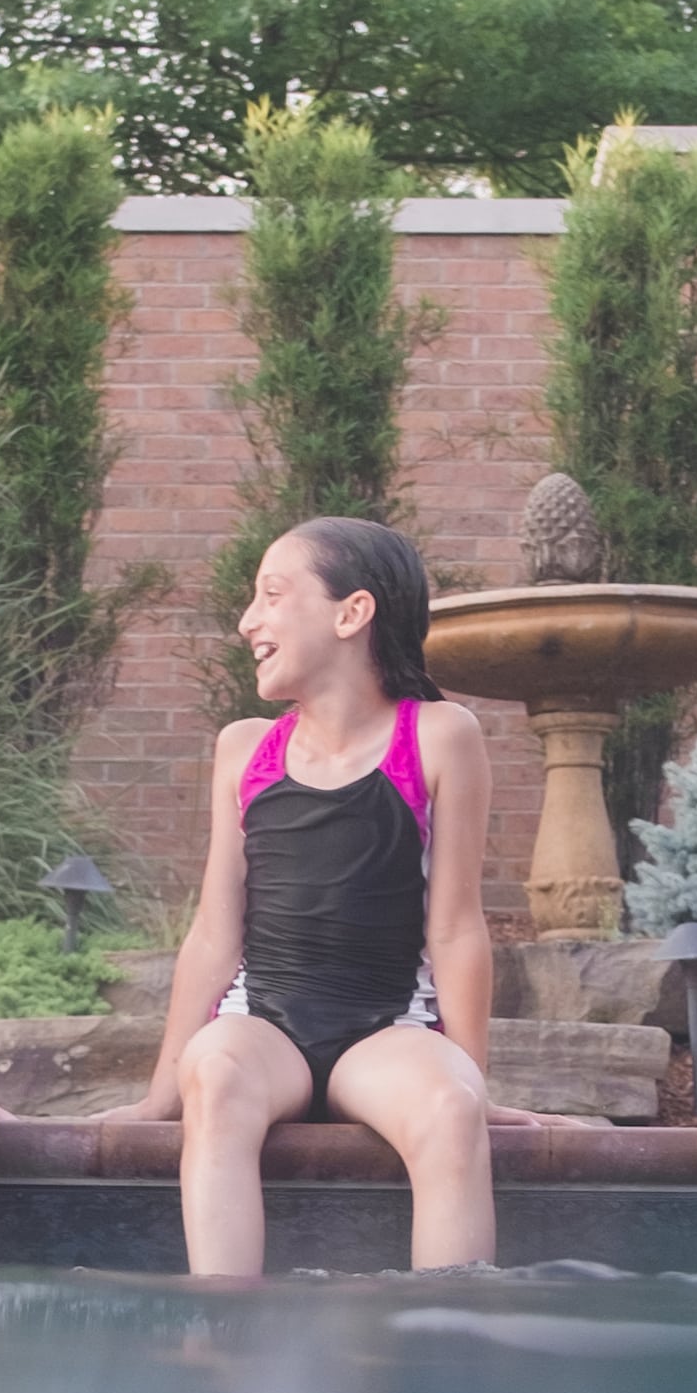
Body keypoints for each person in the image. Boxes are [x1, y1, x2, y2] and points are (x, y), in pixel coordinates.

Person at [119, 519, 503, 1276]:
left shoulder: (437, 736)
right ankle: (224, 1337)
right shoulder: (245, 750)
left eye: (270, 595)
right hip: (265, 1025)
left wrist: (472, 1078)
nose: (247, 621)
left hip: (386, 1029)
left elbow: (456, 928)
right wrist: (161, 1091)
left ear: (351, 613)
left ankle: (451, 1354)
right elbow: (213, 934)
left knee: (450, 1110)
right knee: (216, 1074)